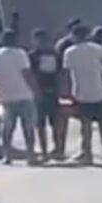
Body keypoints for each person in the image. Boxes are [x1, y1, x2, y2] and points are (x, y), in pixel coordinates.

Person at [0, 29, 41, 164]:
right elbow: (26, 73)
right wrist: (35, 90)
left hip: (6, 96)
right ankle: (31, 156)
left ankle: (7, 156)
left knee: (7, 128)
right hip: (25, 95)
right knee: (28, 127)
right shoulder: (20, 54)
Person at [63, 23, 102, 166]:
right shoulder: (97, 49)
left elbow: (67, 73)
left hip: (81, 91)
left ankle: (87, 154)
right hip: (100, 89)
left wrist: (67, 92)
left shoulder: (69, 52)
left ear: (74, 36)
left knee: (85, 125)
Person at [27, 27, 65, 160]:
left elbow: (61, 73)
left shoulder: (53, 55)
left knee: (53, 123)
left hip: (50, 92)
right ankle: (46, 151)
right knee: (42, 124)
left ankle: (56, 150)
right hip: (43, 91)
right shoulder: (34, 55)